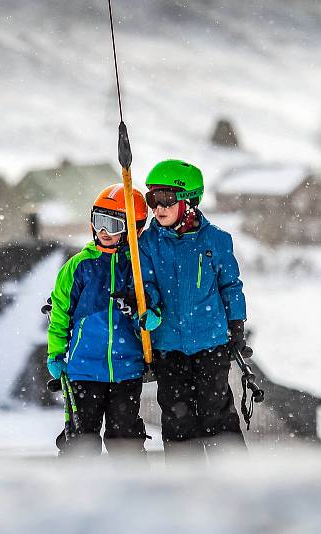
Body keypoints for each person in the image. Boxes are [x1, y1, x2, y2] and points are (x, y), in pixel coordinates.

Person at [134, 159, 249, 462]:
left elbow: (230, 286)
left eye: (166, 200)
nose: (157, 208)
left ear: (189, 202)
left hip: (210, 343)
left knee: (217, 413)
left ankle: (236, 478)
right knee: (177, 417)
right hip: (168, 346)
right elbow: (145, 282)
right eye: (152, 200)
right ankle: (186, 482)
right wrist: (152, 305)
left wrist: (236, 326)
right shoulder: (146, 243)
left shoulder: (216, 241)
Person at [46, 183, 150, 460]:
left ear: (133, 228)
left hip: (126, 369)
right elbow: (60, 314)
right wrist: (56, 352)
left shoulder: (139, 267)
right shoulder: (79, 266)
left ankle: (135, 490)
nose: (103, 232)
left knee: (124, 438)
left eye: (113, 224)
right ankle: (74, 493)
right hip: (84, 369)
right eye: (99, 222)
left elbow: (154, 308)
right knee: (81, 440)